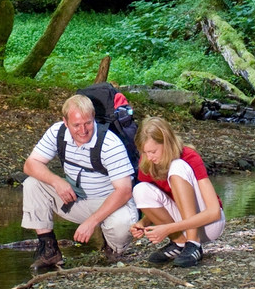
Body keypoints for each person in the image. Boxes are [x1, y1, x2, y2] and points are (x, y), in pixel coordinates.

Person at [22, 94, 138, 269]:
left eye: (88, 123)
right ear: (65, 122)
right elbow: (30, 165)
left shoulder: (110, 144)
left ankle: (113, 249)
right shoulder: (57, 132)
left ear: (94, 120)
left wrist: (91, 222)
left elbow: (124, 191)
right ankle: (49, 250)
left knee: (122, 225)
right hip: (77, 200)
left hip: (111, 203)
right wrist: (56, 181)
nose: (83, 130)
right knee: (32, 184)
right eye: (76, 125)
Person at [129, 117, 225, 267]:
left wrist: (167, 229)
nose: (149, 157)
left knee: (177, 166)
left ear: (166, 143)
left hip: (209, 225)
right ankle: (179, 243)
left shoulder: (189, 157)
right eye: (145, 152)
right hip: (182, 224)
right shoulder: (148, 162)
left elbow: (214, 212)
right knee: (139, 189)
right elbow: (156, 202)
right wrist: (143, 223)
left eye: (153, 151)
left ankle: (193, 244)